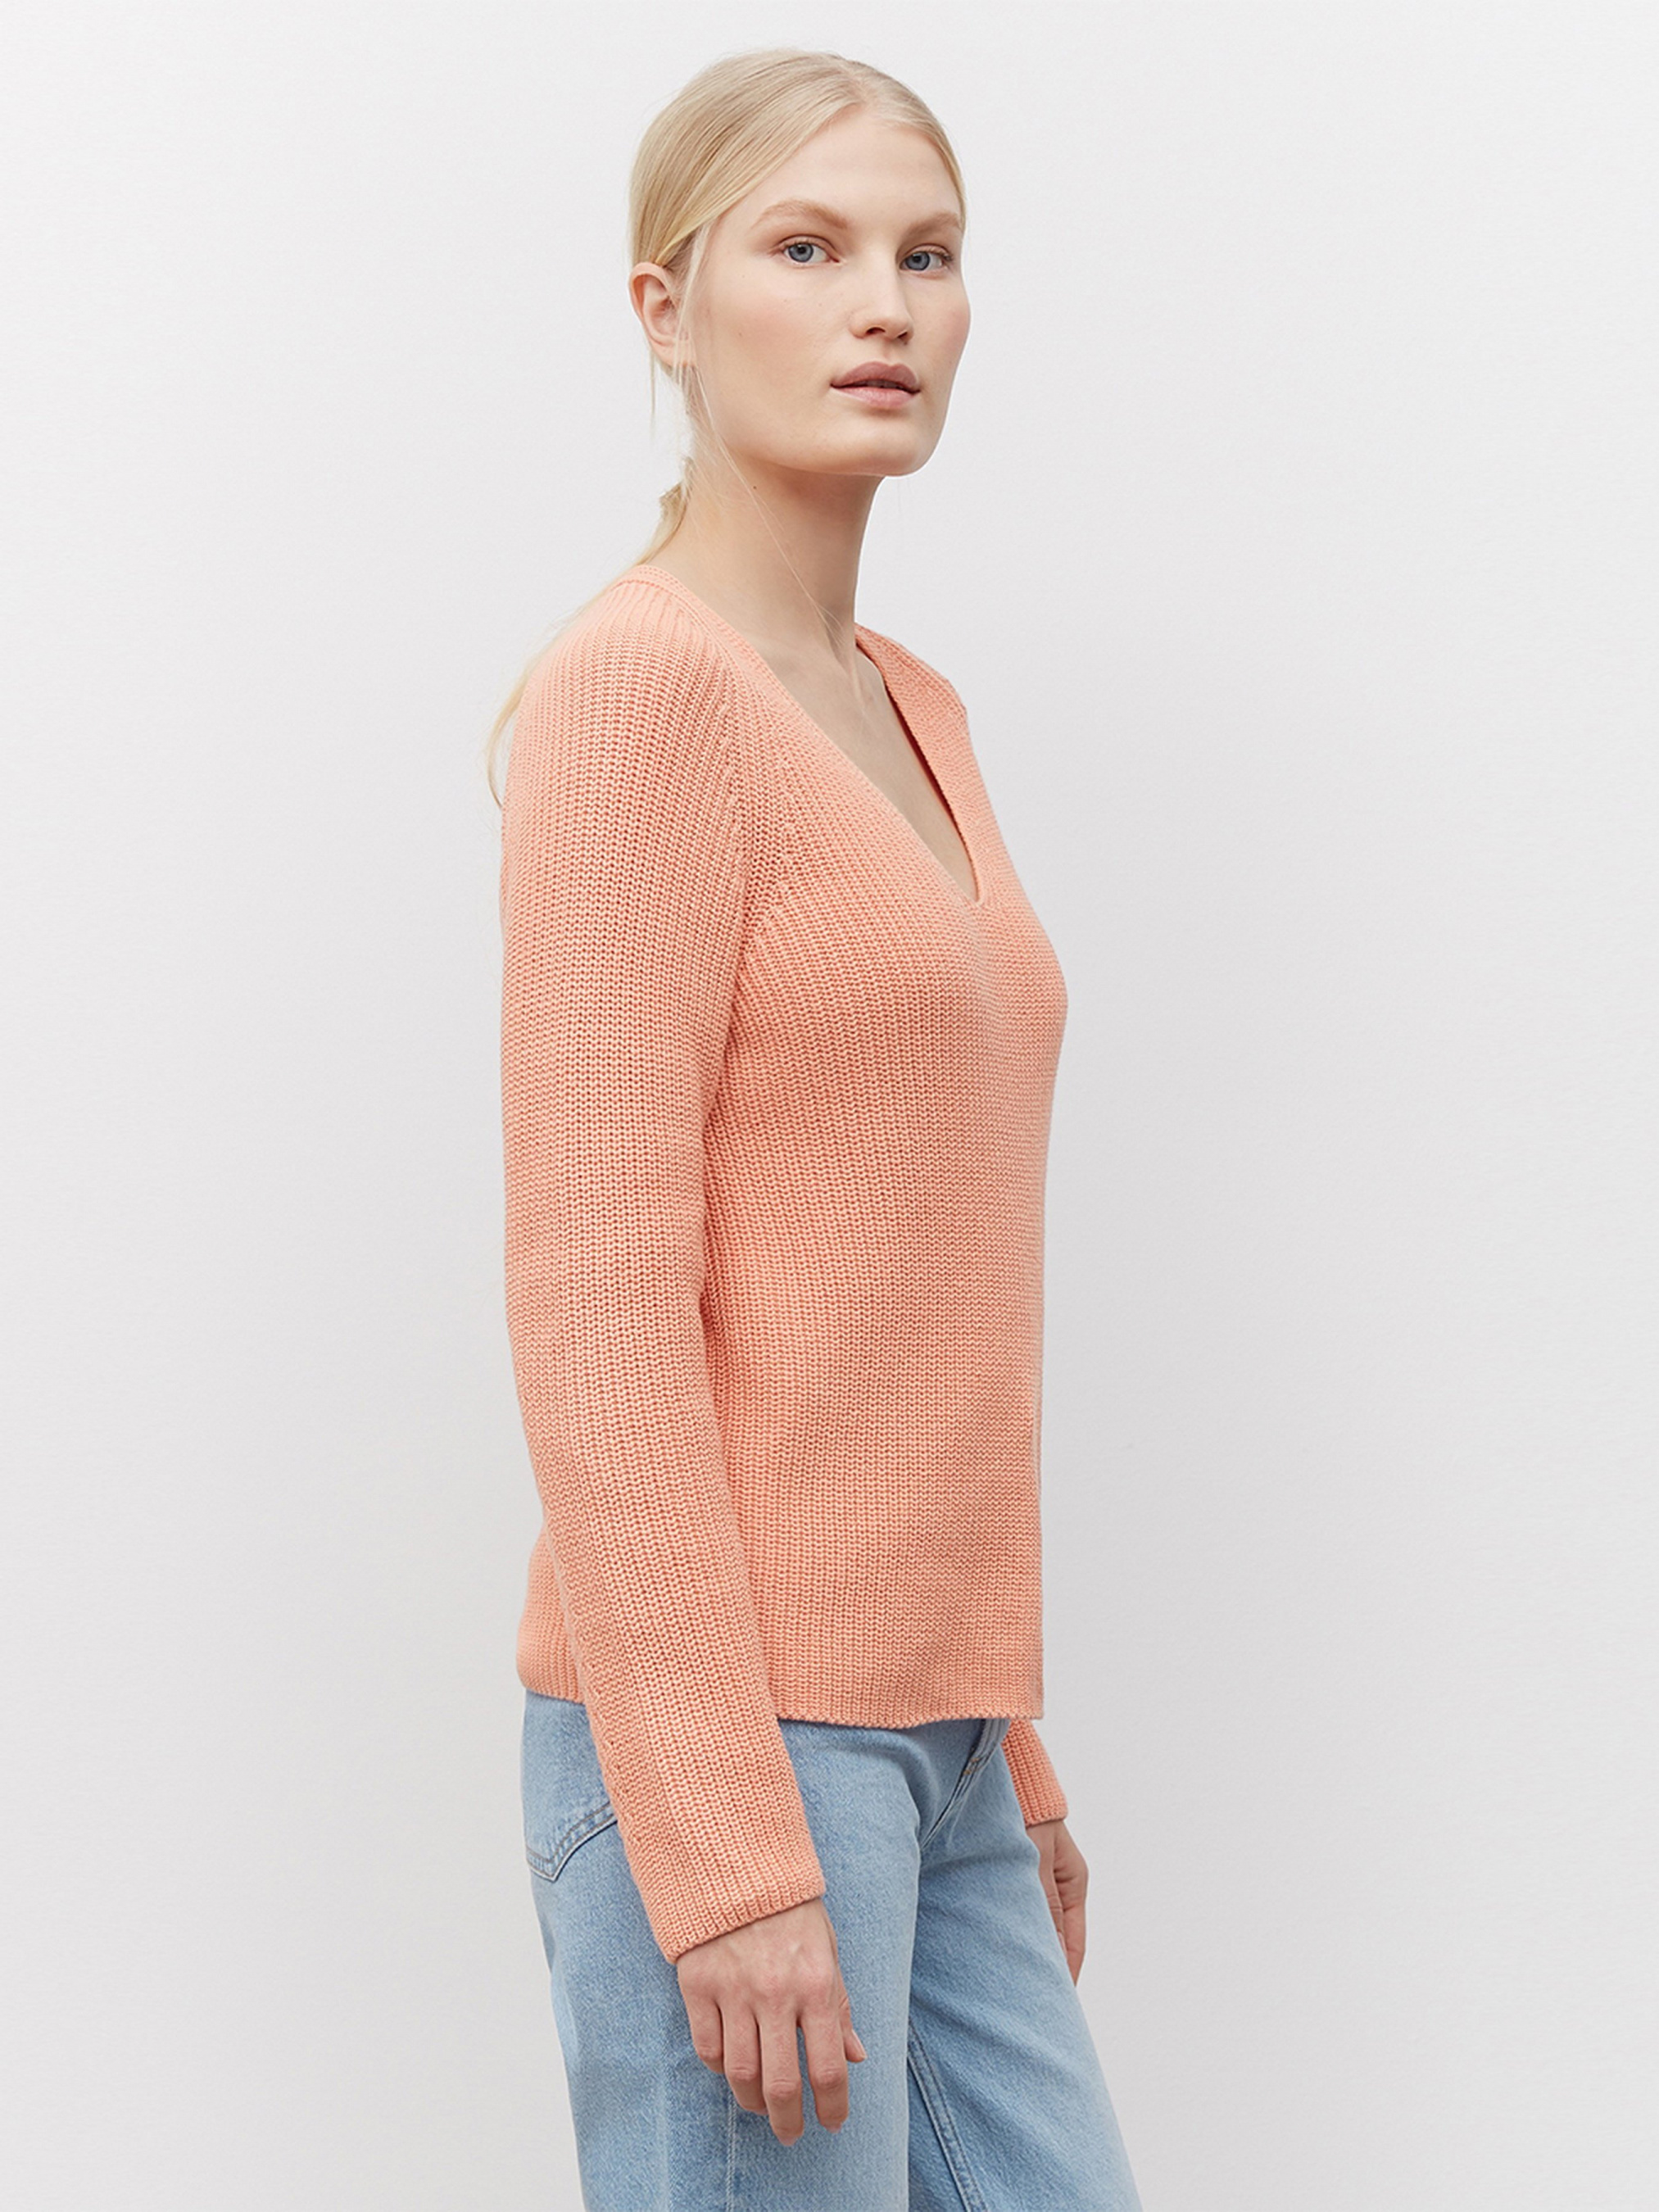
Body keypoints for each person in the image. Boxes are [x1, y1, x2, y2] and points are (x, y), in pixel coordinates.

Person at [487, 45, 1144, 2212]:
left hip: (934, 1737)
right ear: (664, 310)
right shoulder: (641, 692)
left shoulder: (912, 706)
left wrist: (999, 1742)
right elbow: (601, 1305)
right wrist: (721, 1847)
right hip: (738, 1743)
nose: (884, 304)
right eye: (807, 246)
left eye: (926, 255)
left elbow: (905, 1276)